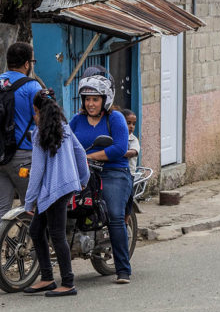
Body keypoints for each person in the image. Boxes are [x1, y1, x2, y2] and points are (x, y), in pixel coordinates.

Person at [0, 42, 43, 282]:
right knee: (33, 205)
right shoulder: (32, 87)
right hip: (23, 157)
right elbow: (42, 122)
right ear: (27, 63)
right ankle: (39, 259)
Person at [23, 91, 89, 297]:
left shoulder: (39, 136)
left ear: (38, 112)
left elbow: (36, 172)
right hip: (65, 187)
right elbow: (81, 153)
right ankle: (47, 278)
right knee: (36, 230)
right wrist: (83, 179)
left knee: (57, 234)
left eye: (34, 112)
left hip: (54, 190)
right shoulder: (66, 129)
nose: (33, 117)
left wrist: (28, 202)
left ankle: (68, 283)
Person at [69, 72, 132, 284]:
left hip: (113, 172)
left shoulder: (115, 118)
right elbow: (64, 141)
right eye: (87, 99)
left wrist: (89, 156)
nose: (90, 103)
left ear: (105, 100)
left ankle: (123, 269)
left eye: (95, 99)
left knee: (114, 215)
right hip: (84, 173)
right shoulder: (77, 120)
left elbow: (119, 148)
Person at [119, 108, 140, 174]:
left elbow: (133, 152)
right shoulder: (115, 137)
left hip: (129, 174)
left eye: (133, 124)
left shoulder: (133, 139)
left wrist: (116, 152)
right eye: (128, 123)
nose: (131, 126)